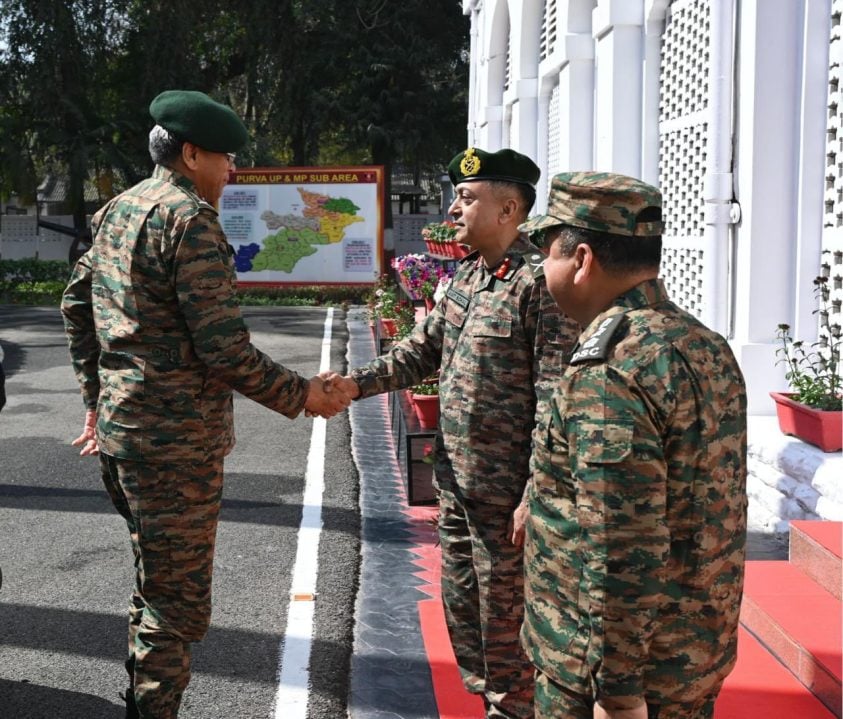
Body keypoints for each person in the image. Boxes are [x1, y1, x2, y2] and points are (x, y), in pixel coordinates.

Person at [60, 89, 350, 719]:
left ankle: (141, 697)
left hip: (123, 436)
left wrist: (94, 398)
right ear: (191, 154)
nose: (233, 170)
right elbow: (224, 350)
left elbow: (75, 305)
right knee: (177, 601)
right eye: (224, 157)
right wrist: (303, 394)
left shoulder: (118, 210)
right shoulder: (188, 221)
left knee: (153, 581)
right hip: (175, 449)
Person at [330, 147, 579, 718]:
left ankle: (515, 707)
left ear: (509, 209)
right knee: (463, 605)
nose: (453, 206)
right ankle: (491, 698)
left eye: (468, 197)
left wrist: (536, 492)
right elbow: (422, 351)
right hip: (457, 483)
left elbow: (553, 401)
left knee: (506, 615)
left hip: (506, 495)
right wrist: (350, 384)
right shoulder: (469, 273)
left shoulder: (539, 285)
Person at [518, 171, 748, 719]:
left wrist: (617, 692)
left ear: (582, 259)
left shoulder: (611, 369)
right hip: (692, 654)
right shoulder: (701, 343)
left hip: (603, 676)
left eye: (547, 252)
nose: (541, 270)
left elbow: (619, 539)